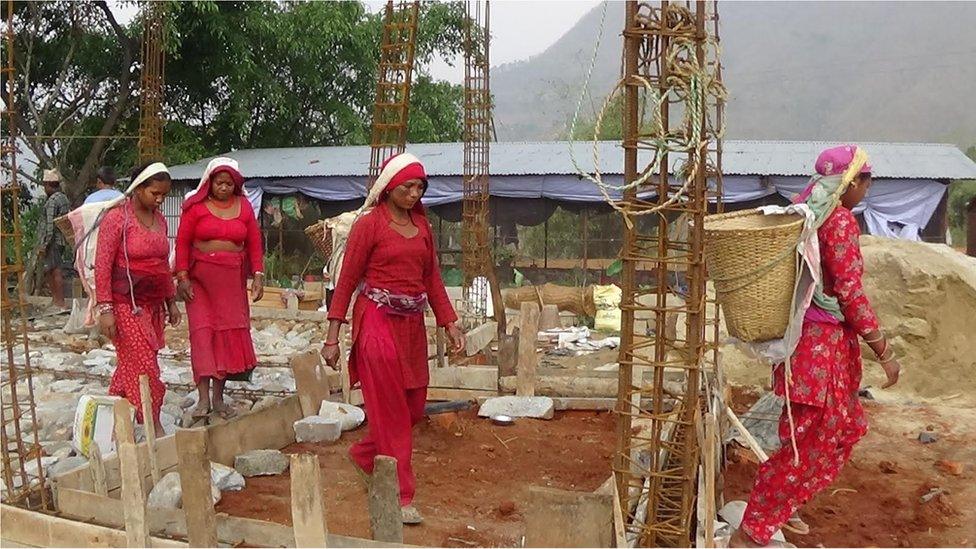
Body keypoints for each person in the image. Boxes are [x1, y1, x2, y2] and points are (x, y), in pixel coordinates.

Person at [730, 145, 902, 547]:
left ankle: (781, 508)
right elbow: (850, 293)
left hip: (809, 346)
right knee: (807, 445)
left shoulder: (807, 212)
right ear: (850, 182)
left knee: (834, 431)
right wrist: (885, 352)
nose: (868, 188)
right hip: (819, 352)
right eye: (866, 180)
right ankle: (752, 531)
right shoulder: (838, 221)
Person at [321, 153, 465, 525]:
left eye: (420, 187)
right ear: (388, 188)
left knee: (413, 406)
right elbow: (347, 280)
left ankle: (366, 456)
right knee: (391, 413)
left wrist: (450, 323)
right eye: (407, 187)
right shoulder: (370, 225)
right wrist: (333, 337)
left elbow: (432, 278)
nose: (414, 194)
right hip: (377, 321)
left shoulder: (423, 227)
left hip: (412, 325)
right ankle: (400, 497)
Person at [94, 161, 181, 435]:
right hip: (124, 305)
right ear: (138, 188)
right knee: (145, 367)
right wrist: (105, 308)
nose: (160, 199)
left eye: (164, 195)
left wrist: (170, 302)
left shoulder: (160, 219)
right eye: (155, 193)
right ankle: (152, 421)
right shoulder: (118, 218)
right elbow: (103, 264)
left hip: (153, 305)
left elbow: (162, 263)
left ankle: (111, 421)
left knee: (132, 363)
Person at [175, 158, 264, 420]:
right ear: (209, 183)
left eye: (228, 183)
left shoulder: (245, 207)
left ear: (235, 184)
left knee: (225, 337)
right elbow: (182, 242)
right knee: (202, 334)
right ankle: (202, 399)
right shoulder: (195, 207)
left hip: (231, 282)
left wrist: (257, 274)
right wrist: (182, 277)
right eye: (219, 182)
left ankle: (218, 398)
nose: (223, 187)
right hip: (199, 281)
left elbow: (255, 243)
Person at [36, 169, 71, 308]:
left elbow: (50, 226)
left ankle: (59, 301)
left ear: (49, 185)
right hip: (61, 240)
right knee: (51, 270)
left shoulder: (52, 201)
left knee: (54, 270)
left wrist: (44, 245)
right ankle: (56, 300)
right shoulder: (63, 198)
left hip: (53, 241)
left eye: (45, 185)